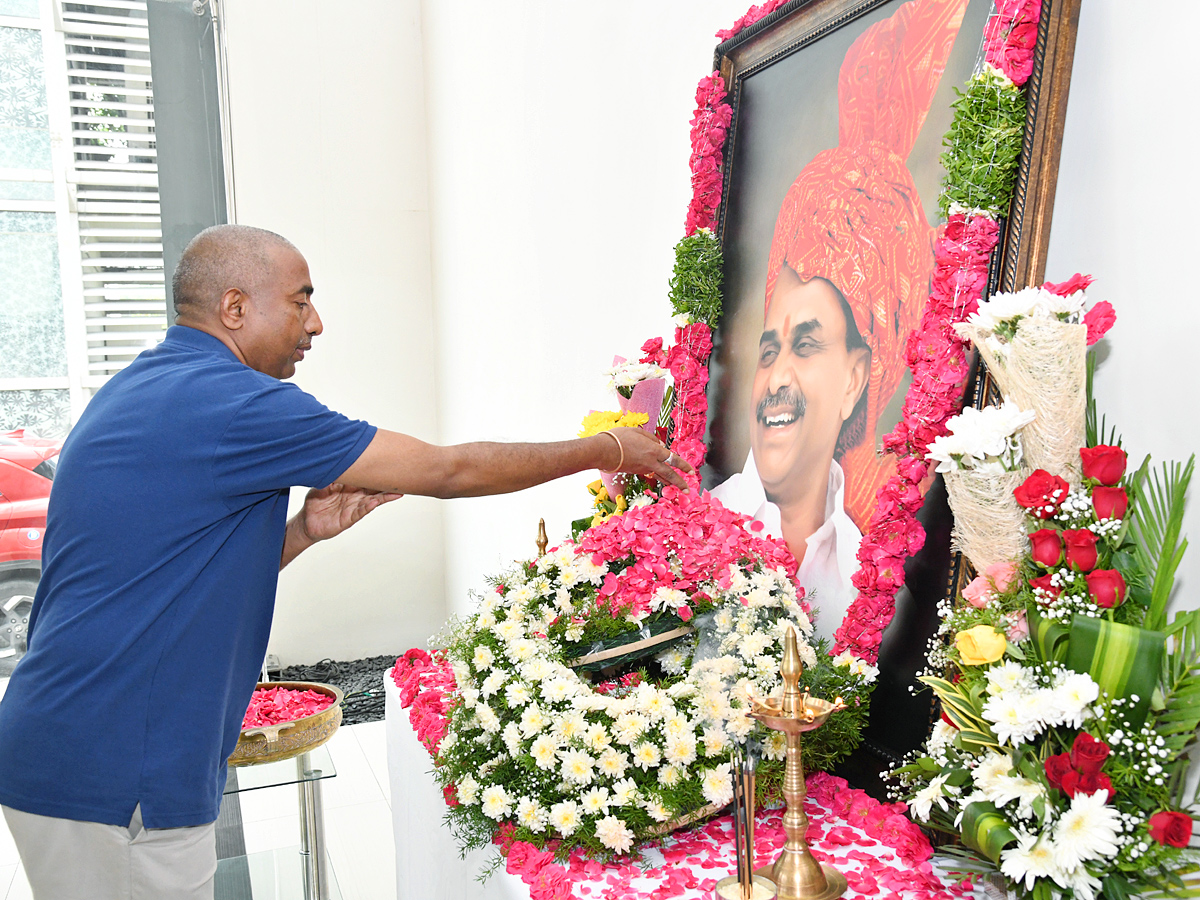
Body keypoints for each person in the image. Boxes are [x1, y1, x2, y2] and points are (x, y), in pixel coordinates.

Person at [0, 224, 690, 900]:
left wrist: (303, 530)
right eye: (301, 300)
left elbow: (173, 573)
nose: (317, 323)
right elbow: (449, 470)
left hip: (77, 744)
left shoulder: (149, 386)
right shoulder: (235, 404)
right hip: (114, 772)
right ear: (235, 308)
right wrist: (611, 450)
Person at [713, 0, 968, 644]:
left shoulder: (869, 565)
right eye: (769, 349)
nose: (775, 376)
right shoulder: (701, 531)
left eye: (806, 344)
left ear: (858, 377)